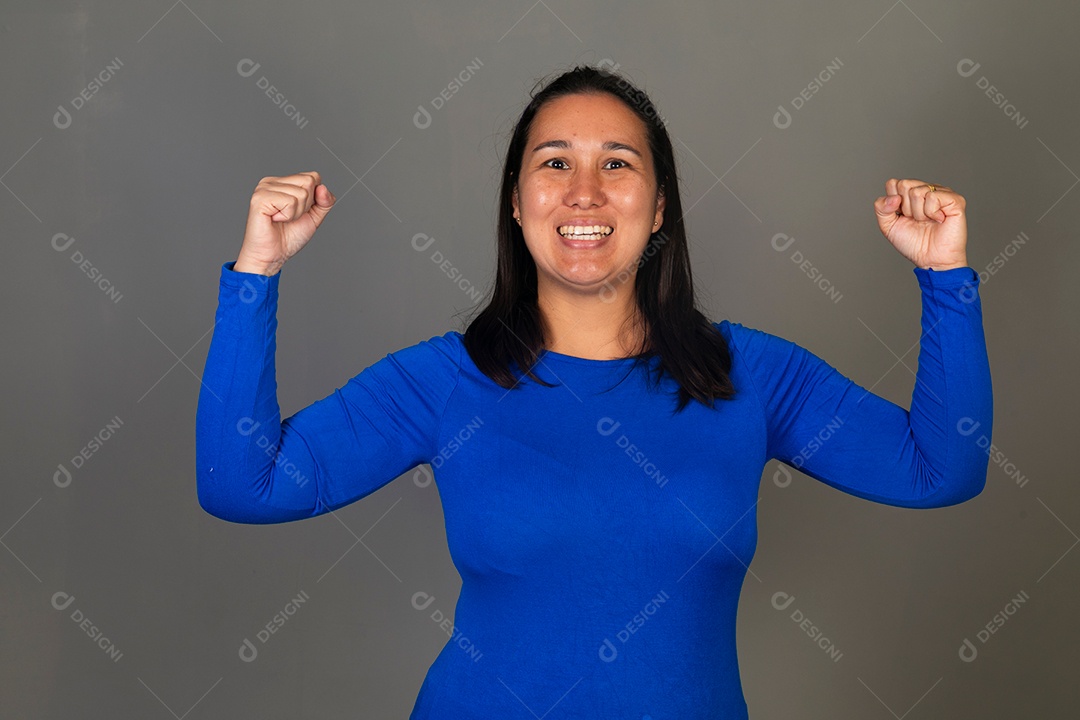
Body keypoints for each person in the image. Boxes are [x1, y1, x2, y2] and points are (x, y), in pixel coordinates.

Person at [196, 65, 992, 719]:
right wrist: (257, 273)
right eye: (554, 163)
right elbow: (243, 485)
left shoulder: (747, 375)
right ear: (517, 203)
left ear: (660, 208)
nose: (584, 191)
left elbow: (941, 469)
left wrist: (945, 277)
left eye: (617, 162)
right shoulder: (445, 381)